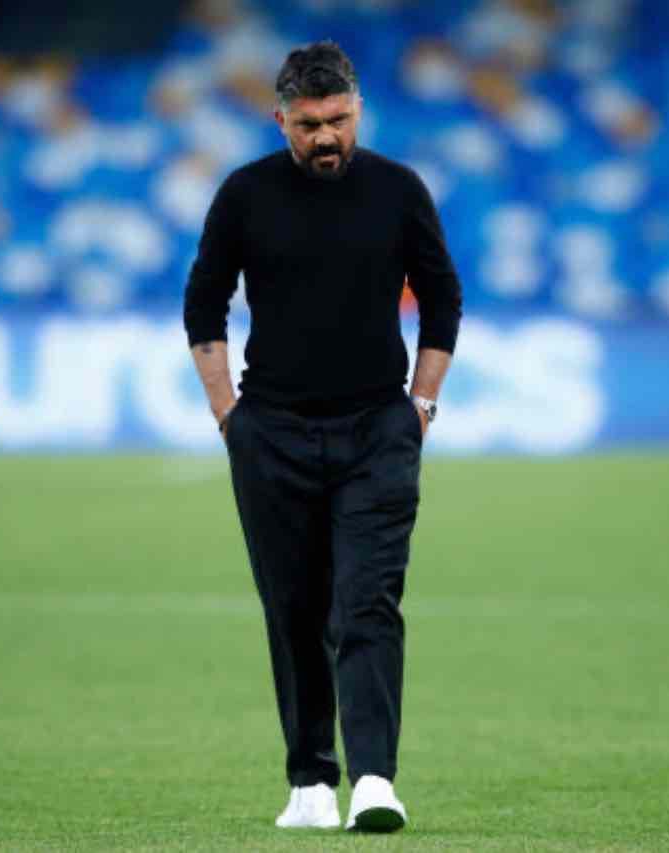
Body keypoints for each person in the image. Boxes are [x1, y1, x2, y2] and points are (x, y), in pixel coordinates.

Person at [183, 40, 462, 833]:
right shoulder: (245, 195)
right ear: (281, 122)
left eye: (338, 119)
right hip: (271, 432)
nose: (326, 137)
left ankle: (374, 779)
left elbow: (442, 299)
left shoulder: (398, 191)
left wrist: (421, 405)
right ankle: (310, 781)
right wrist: (228, 415)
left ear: (358, 110)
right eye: (309, 125)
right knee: (294, 607)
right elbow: (204, 303)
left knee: (367, 600)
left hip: (378, 430)